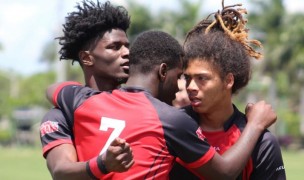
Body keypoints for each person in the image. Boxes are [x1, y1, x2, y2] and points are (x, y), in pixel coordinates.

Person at [47, 30, 277, 179]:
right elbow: (224, 173)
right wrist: (255, 124)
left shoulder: (81, 100)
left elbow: (52, 90)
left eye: (202, 78)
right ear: (163, 71)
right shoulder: (171, 119)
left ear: (228, 81)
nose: (185, 87)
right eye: (183, 77)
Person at [169, 1, 286, 179]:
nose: (190, 87)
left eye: (202, 78)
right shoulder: (172, 127)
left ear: (228, 80)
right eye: (188, 78)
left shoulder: (262, 143)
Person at [39, 1, 134, 179]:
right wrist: (103, 164)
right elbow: (61, 171)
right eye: (114, 47)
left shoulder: (141, 103)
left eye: (127, 45)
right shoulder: (61, 115)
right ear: (87, 58)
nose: (126, 52)